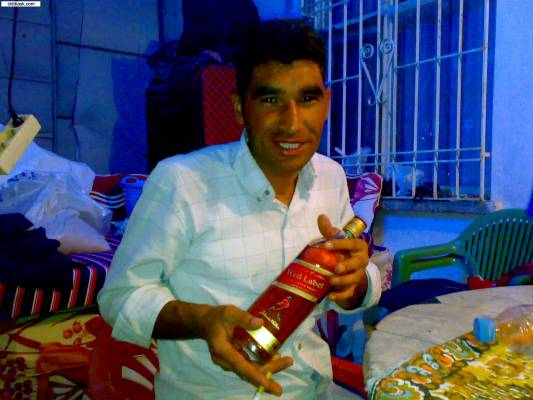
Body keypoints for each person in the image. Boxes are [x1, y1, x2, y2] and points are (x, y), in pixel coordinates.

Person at [98, 18, 381, 399]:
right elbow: (120, 297)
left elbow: (349, 286)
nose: (292, 124)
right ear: (238, 107)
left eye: (307, 99)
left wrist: (354, 283)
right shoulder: (181, 182)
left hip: (313, 389)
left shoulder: (330, 177)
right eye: (270, 100)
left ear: (326, 103)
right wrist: (203, 321)